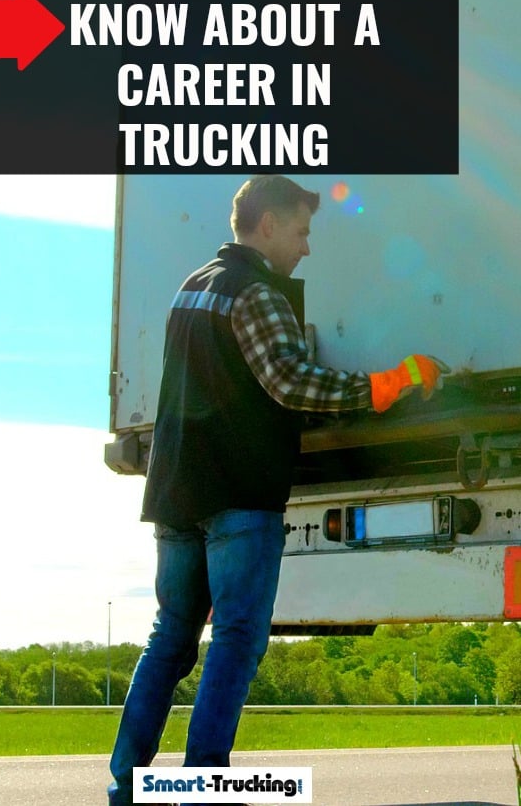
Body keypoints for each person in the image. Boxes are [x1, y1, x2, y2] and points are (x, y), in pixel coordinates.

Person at [107, 174, 444, 804]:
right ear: (267, 225)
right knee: (235, 639)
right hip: (237, 495)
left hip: (176, 493)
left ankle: (127, 786)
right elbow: (289, 382)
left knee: (171, 638)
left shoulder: (193, 286)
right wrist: (387, 384)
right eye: (301, 230)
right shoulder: (257, 292)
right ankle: (196, 787)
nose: (307, 247)